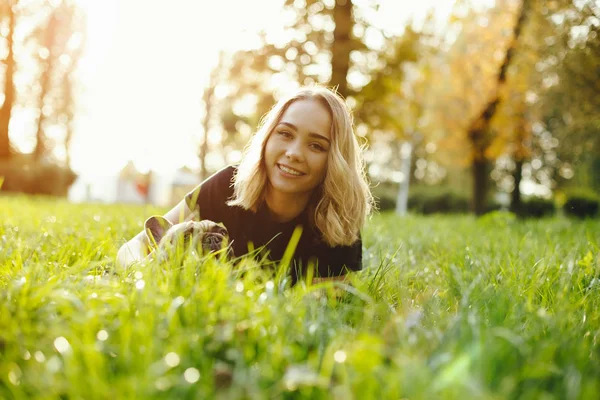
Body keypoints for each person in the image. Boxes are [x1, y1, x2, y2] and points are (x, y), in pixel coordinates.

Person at [116, 85, 374, 284]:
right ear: (268, 137)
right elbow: (135, 246)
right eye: (285, 133)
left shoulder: (337, 222)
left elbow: (326, 308)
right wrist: (141, 272)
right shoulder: (228, 184)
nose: (294, 153)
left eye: (316, 145)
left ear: (335, 161)